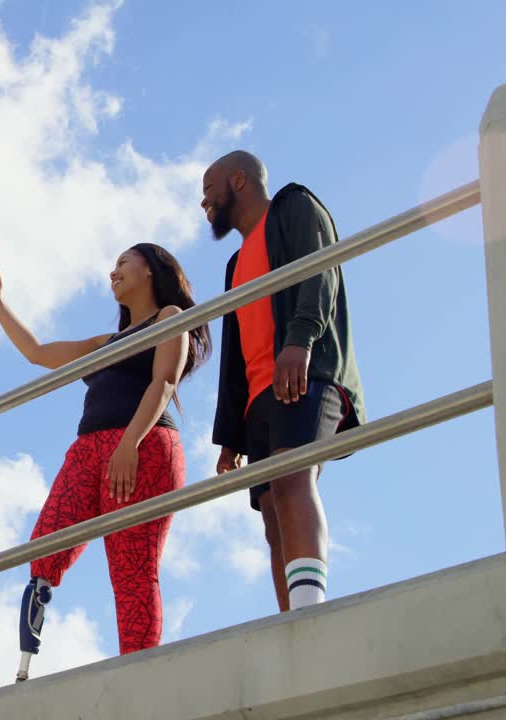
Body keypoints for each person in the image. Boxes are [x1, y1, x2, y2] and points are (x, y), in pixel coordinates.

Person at [0, 242, 211, 682]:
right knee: (45, 543)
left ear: (151, 270)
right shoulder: (105, 342)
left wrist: (130, 443)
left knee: (132, 569)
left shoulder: (169, 318)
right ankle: (30, 641)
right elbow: (37, 352)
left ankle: (138, 674)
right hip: (89, 449)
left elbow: (163, 380)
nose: (113, 272)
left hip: (143, 447)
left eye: (124, 262)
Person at [201, 150, 366, 613]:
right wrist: (230, 436)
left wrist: (301, 340)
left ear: (238, 180)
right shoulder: (234, 266)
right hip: (257, 399)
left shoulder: (294, 206)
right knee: (271, 512)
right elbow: (233, 356)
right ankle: (292, 618)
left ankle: (311, 609)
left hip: (304, 371)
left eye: (208, 189)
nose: (204, 202)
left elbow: (321, 269)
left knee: (294, 475)